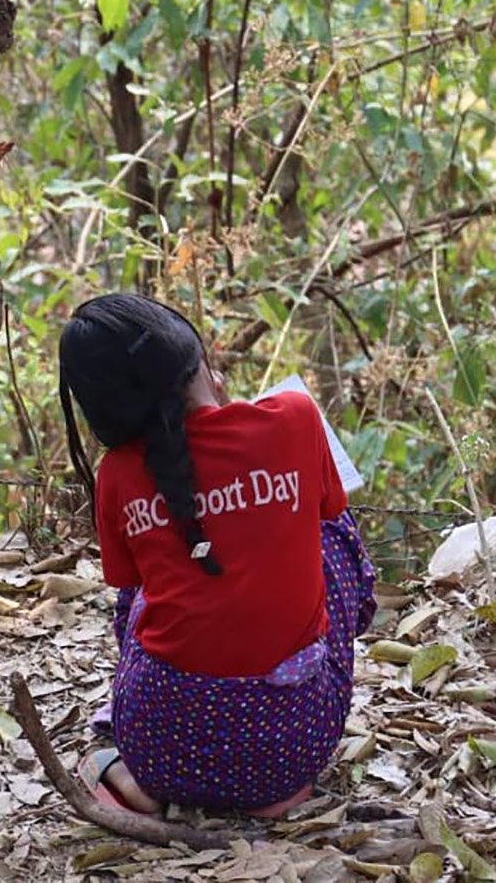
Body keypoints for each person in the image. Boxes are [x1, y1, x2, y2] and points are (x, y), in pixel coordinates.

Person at [58, 294, 375, 815]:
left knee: (149, 586)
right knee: (330, 529)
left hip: (160, 751)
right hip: (289, 751)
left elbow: (130, 595)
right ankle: (270, 794)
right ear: (201, 363)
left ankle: (127, 781)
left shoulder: (115, 475)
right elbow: (325, 513)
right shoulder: (294, 417)